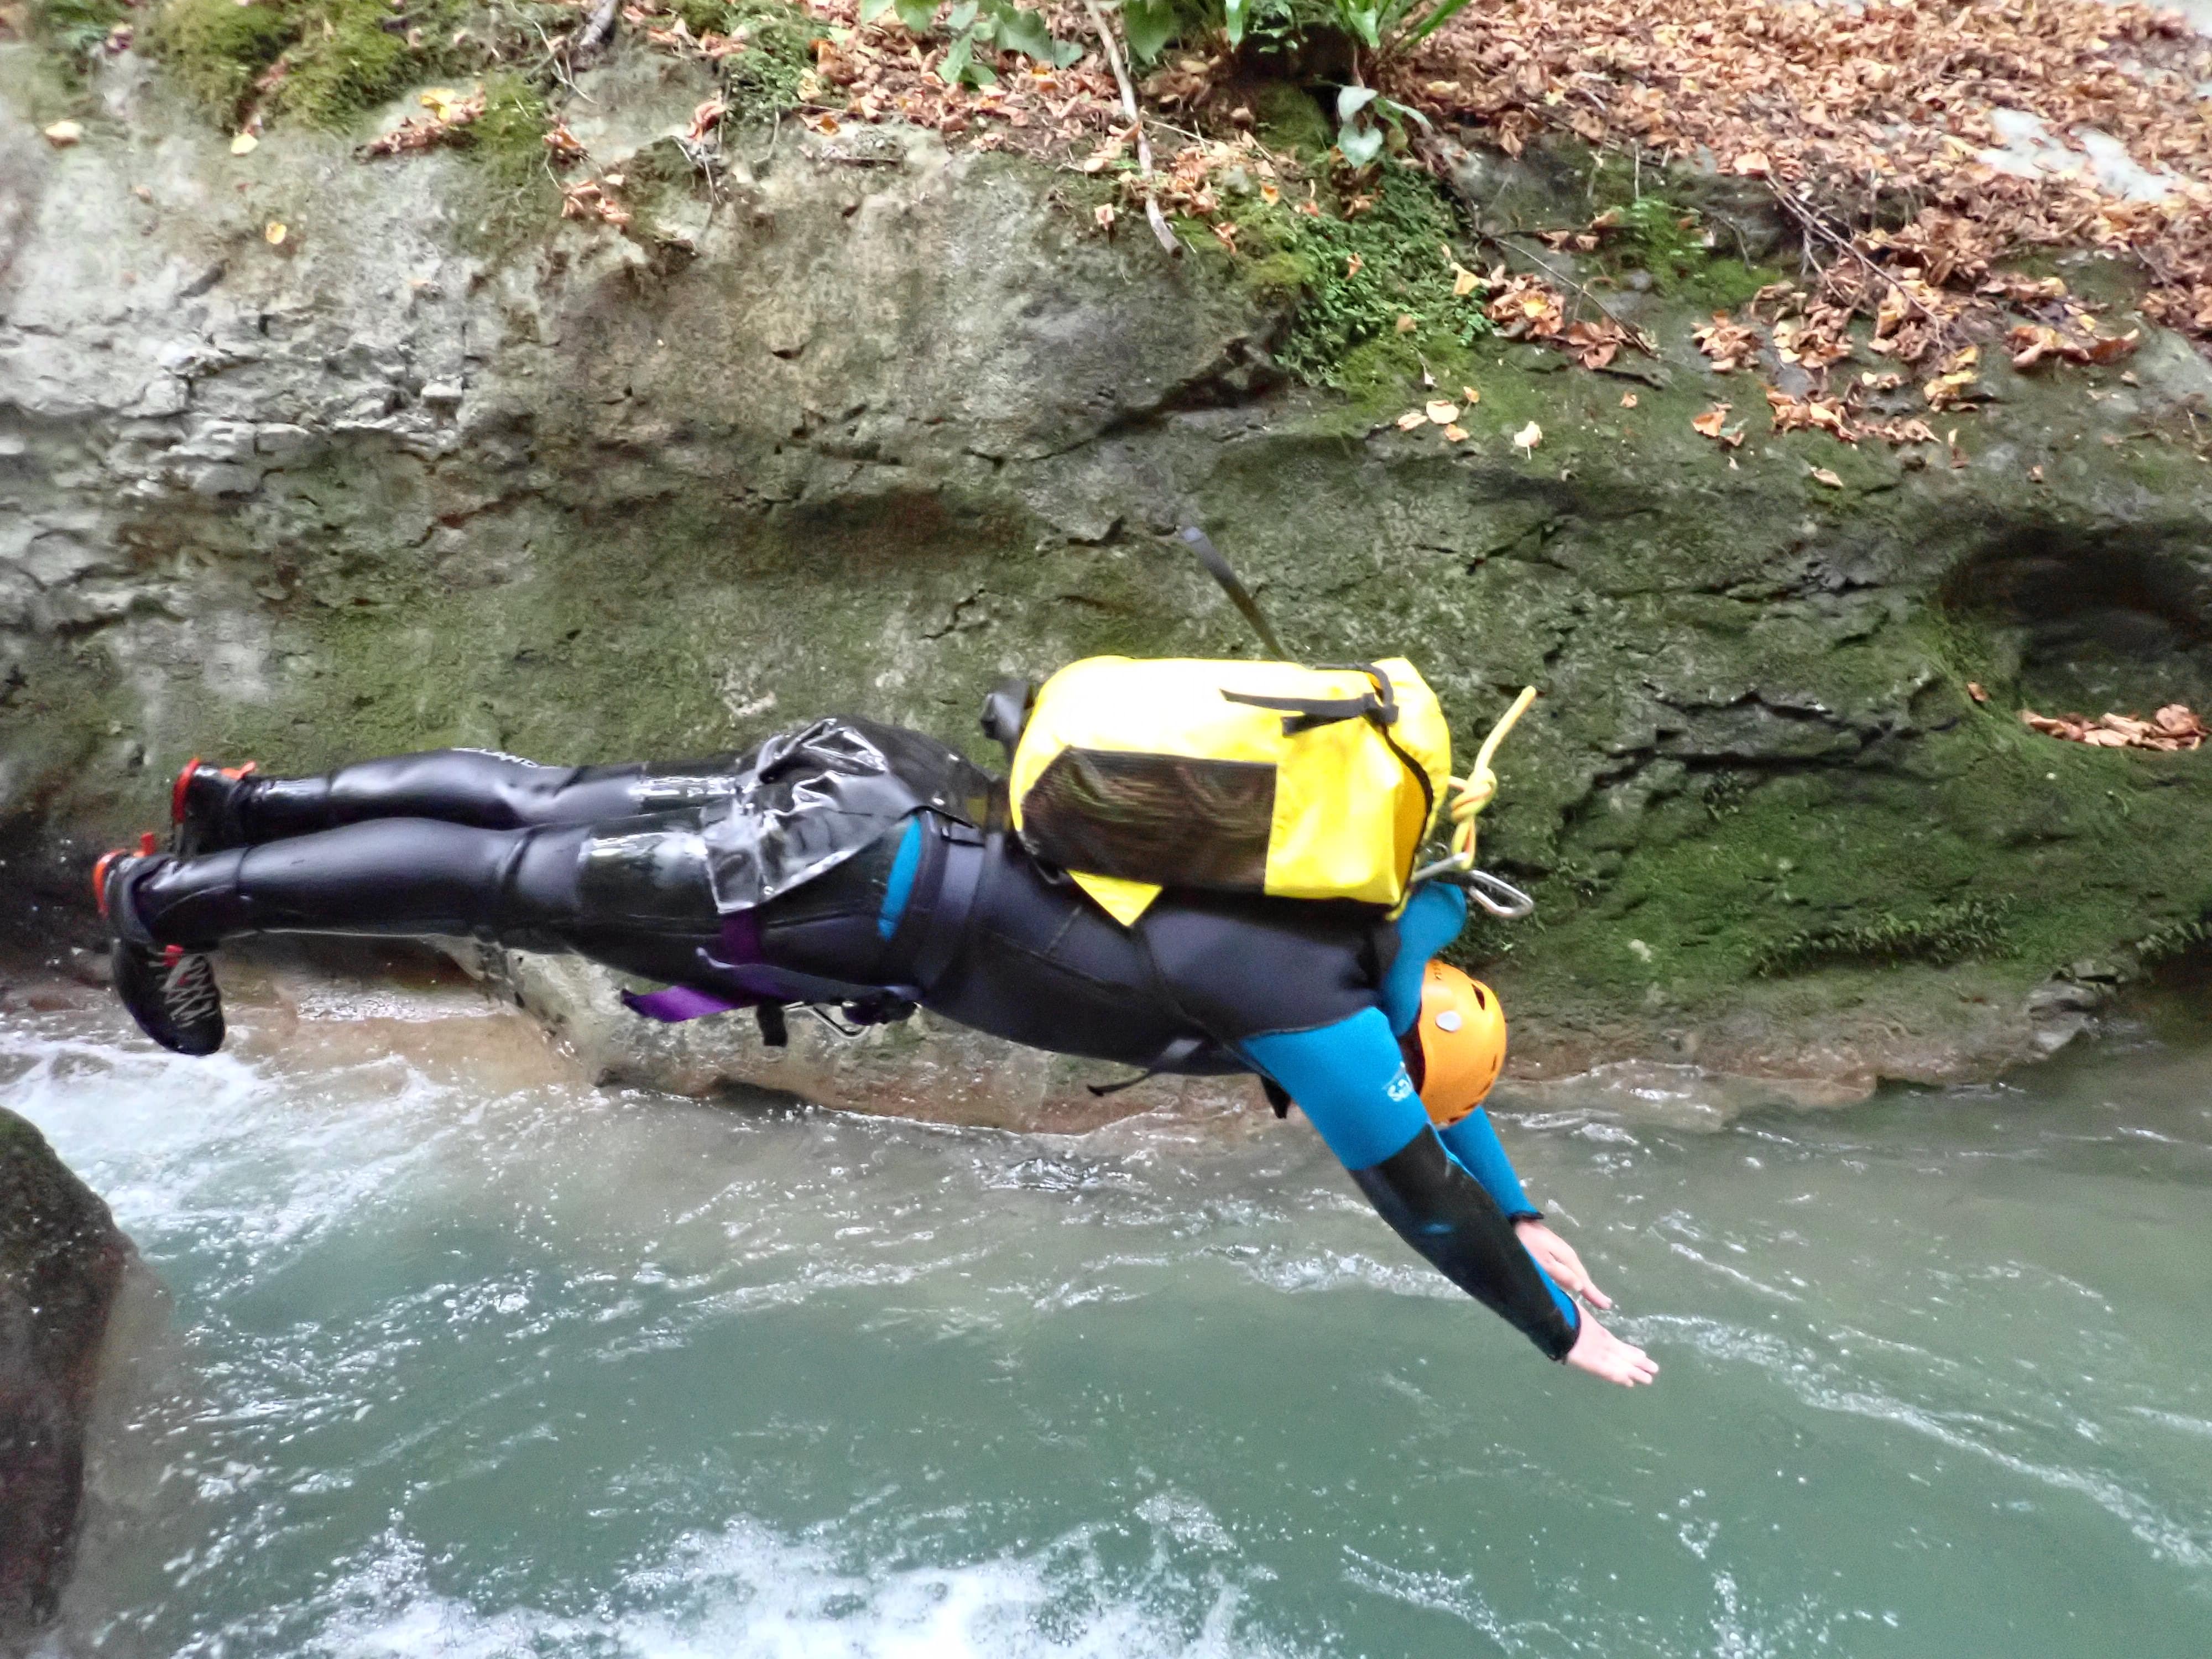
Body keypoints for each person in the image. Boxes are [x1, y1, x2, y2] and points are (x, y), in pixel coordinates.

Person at [93, 717, 1658, 1386]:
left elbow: (1450, 1138)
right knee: (496, 882)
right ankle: (171, 900)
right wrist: (1542, 1318)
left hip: (870, 786)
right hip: (828, 889)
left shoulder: (1372, 917)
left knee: (534, 803)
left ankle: (250, 807)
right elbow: (1415, 1188)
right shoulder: (1308, 1021)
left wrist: (1524, 1205)